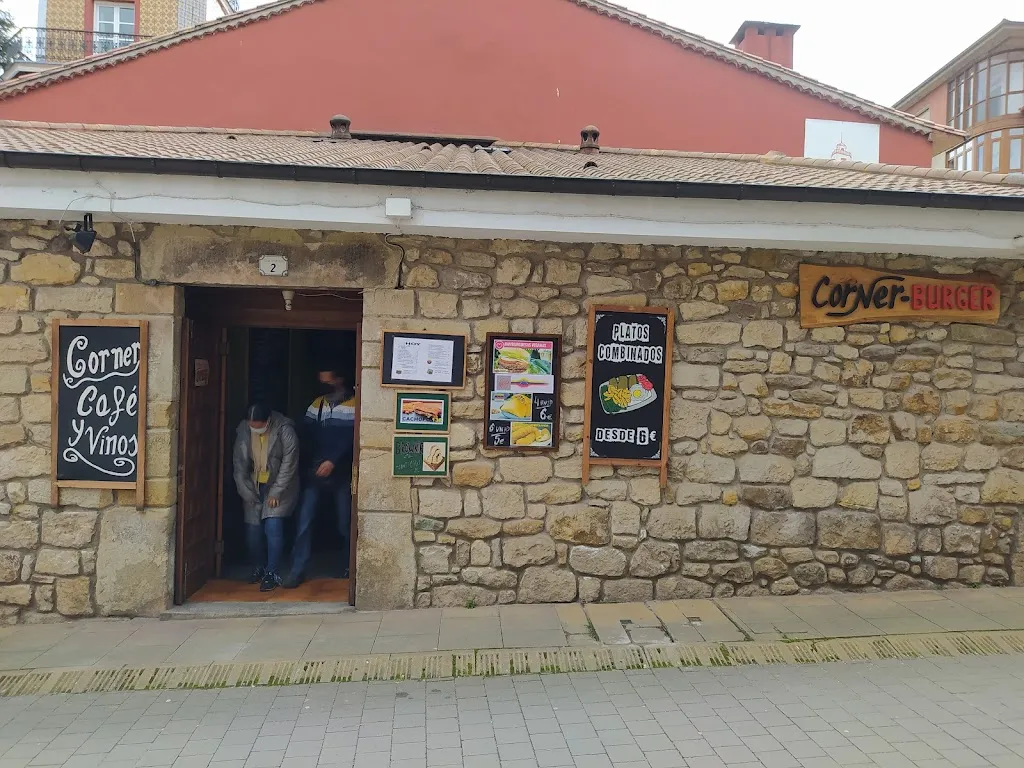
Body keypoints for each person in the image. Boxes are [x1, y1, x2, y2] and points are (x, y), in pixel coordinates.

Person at [284, 368, 356, 588]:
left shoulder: (355, 406)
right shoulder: (317, 405)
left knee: (346, 524)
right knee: (304, 523)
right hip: (315, 474)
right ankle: (297, 571)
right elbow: (305, 435)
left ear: (340, 380)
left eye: (329, 382)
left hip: (342, 475)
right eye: (322, 382)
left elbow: (356, 438)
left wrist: (333, 460)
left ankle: (350, 568)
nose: (326, 387)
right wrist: (314, 462)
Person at [231, 403, 300, 592]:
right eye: (252, 425)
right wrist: (246, 492)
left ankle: (272, 572)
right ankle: (258, 567)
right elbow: (239, 465)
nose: (256, 429)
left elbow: (289, 462)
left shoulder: (284, 429)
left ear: (268, 421)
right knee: (253, 532)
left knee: (273, 527)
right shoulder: (244, 430)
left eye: (259, 425)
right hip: (254, 486)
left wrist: (276, 491)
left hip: (280, 486)